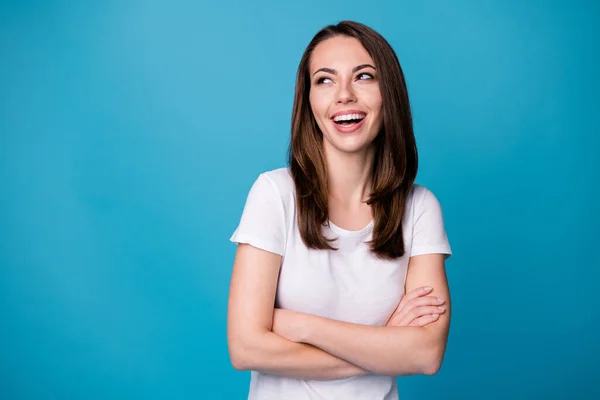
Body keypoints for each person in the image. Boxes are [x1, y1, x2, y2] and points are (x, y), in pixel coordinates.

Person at [227, 20, 452, 400]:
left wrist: (299, 326)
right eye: (325, 80)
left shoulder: (419, 208)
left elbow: (426, 354)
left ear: (389, 94)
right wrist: (386, 348)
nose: (344, 95)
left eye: (364, 76)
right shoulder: (274, 194)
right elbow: (246, 347)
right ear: (309, 100)